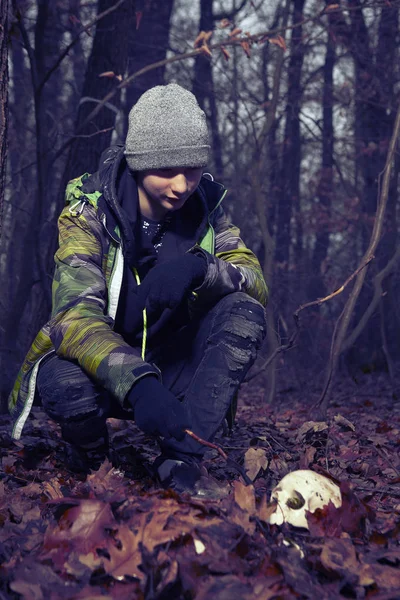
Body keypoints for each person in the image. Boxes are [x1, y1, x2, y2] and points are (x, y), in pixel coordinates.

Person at [9, 83, 268, 496]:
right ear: (138, 164)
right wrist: (138, 383)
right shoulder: (87, 211)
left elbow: (254, 280)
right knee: (63, 381)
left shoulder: (207, 209)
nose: (182, 185)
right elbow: (74, 316)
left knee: (244, 311)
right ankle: (92, 461)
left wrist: (200, 268)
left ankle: (181, 458)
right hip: (105, 371)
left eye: (193, 169)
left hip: (175, 364)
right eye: (167, 170)